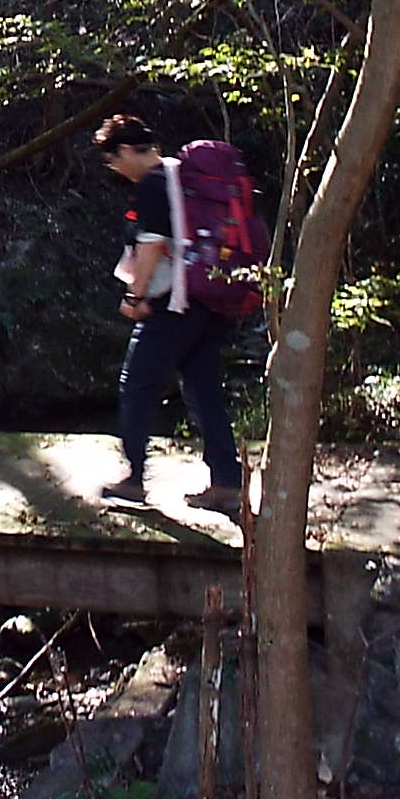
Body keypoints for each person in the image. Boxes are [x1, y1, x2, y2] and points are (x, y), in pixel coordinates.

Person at [93, 114, 243, 514]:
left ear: (126, 151)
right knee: (203, 391)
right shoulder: (180, 176)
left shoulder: (154, 184)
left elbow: (152, 246)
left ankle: (134, 479)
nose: (114, 168)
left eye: (113, 159)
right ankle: (227, 482)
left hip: (172, 305)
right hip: (206, 300)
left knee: (137, 385)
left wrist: (134, 295)